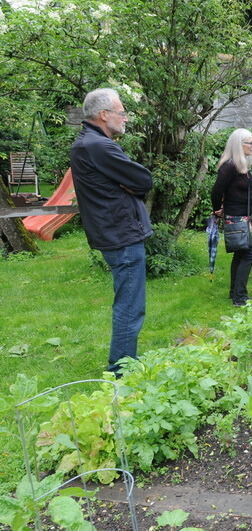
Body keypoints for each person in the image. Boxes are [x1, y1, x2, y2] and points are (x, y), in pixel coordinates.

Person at [70, 88, 153, 376]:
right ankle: (121, 373)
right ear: (104, 115)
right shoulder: (98, 146)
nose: (125, 118)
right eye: (121, 112)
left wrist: (127, 185)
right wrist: (128, 186)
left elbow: (136, 183)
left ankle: (124, 365)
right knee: (130, 308)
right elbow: (143, 180)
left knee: (129, 304)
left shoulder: (90, 143)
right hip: (121, 236)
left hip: (115, 234)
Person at [211, 128, 252, 307]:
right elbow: (216, 191)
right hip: (236, 218)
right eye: (250, 142)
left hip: (243, 218)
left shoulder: (241, 165)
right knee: (249, 255)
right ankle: (240, 298)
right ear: (239, 145)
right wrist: (218, 209)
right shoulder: (229, 166)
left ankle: (234, 293)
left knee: (240, 254)